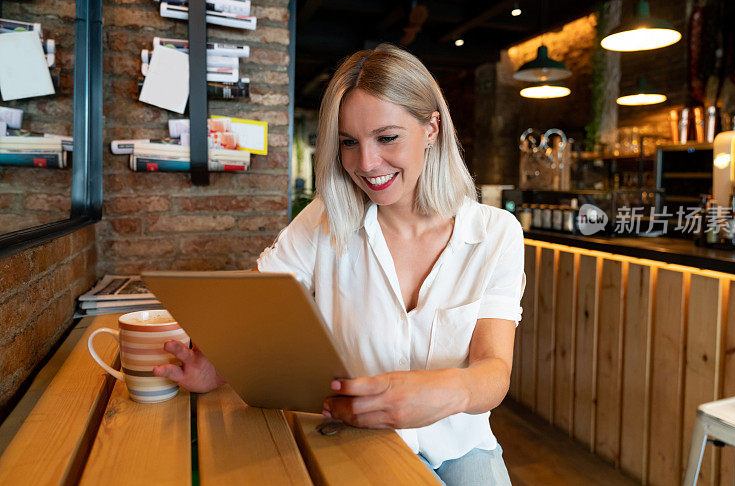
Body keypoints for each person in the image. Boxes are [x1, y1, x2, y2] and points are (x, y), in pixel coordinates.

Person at [153, 43, 525, 486]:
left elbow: (494, 370)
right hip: (356, 436)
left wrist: (442, 391)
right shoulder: (323, 220)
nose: (366, 164)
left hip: (460, 440)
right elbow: (249, 311)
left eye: (387, 137)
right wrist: (215, 367)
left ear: (432, 128)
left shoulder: (497, 232)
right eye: (349, 142)